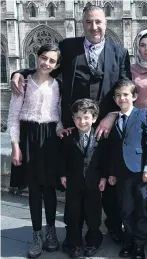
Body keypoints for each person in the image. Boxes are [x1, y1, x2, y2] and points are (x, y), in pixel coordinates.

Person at [10, 4, 130, 243]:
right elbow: (47, 68)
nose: (94, 27)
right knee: (74, 183)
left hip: (104, 128)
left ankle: (111, 227)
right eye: (89, 22)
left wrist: (112, 115)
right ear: (82, 23)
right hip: (72, 127)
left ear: (106, 23)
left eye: (98, 22)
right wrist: (20, 72)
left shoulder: (119, 52)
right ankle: (73, 233)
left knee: (106, 181)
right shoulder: (68, 47)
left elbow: (126, 86)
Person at [7, 43, 61, 258]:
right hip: (29, 139)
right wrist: (15, 146)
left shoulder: (59, 85)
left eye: (52, 60)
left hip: (50, 140)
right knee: (34, 191)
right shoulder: (24, 83)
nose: (46, 63)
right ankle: (36, 234)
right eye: (44, 58)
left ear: (57, 65)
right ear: (37, 57)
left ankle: (51, 231)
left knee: (49, 189)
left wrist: (60, 132)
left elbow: (58, 116)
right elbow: (13, 117)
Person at [107, 79, 147, 259]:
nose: (122, 98)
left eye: (126, 95)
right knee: (126, 209)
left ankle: (140, 245)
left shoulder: (142, 114)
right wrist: (111, 172)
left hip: (140, 170)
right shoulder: (115, 119)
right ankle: (128, 242)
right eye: (118, 95)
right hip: (121, 173)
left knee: (141, 209)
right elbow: (113, 149)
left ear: (134, 96)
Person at [59, 99, 107, 258]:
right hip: (74, 182)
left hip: (93, 183)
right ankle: (73, 243)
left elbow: (105, 159)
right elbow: (62, 158)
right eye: (78, 118)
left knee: (93, 214)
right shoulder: (68, 136)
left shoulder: (101, 136)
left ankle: (94, 240)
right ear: (73, 119)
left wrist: (104, 177)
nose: (82, 121)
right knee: (73, 214)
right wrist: (62, 174)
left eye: (86, 117)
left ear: (94, 118)